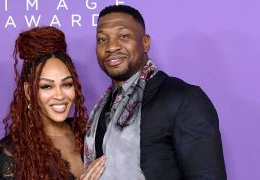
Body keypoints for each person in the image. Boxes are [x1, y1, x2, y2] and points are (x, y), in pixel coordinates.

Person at [84, 5, 227, 179]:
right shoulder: (101, 111)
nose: (111, 47)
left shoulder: (184, 99)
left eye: (123, 36)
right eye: (102, 39)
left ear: (145, 43)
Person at [0, 26, 104, 180]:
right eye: (46, 86)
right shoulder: (13, 150)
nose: (59, 95)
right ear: (28, 91)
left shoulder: (90, 132)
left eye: (67, 84)